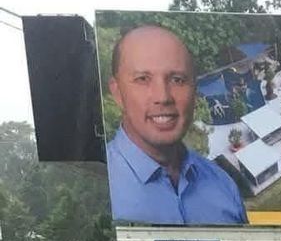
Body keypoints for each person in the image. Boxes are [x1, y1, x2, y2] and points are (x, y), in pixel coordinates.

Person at [106, 25, 247, 225]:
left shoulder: (223, 185)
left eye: (177, 80)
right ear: (117, 92)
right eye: (143, 79)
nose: (163, 97)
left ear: (194, 90)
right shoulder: (93, 189)